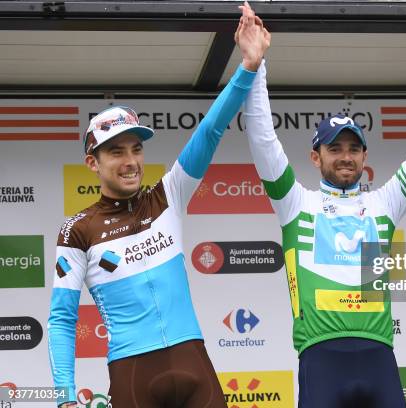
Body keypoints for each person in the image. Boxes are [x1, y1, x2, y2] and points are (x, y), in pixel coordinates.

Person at [240, 5, 406, 406]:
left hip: (380, 356)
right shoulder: (296, 205)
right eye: (335, 149)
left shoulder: (384, 205)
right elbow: (263, 141)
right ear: (316, 157)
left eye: (353, 149)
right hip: (320, 357)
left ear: (364, 158)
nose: (345, 157)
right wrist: (255, 66)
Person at [47, 5, 269, 407]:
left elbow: (210, 130)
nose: (130, 160)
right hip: (132, 374)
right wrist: (64, 396)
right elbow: (62, 319)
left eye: (136, 148)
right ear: (93, 163)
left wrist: (248, 66)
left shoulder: (167, 195)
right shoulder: (77, 229)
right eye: (116, 151)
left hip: (193, 362)